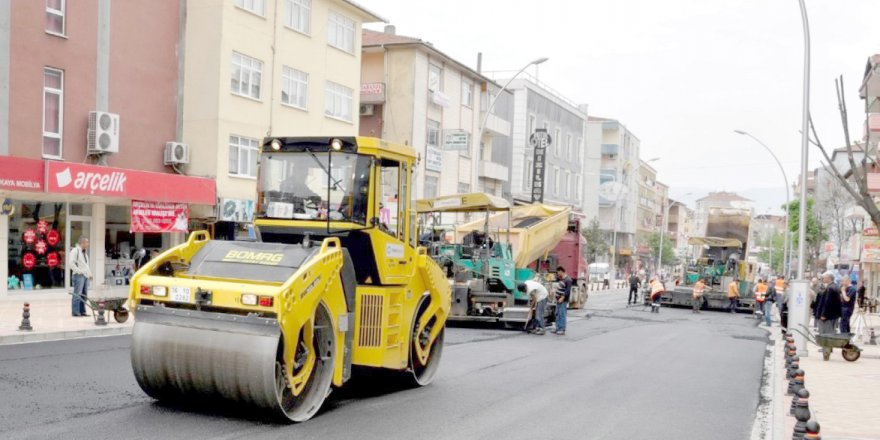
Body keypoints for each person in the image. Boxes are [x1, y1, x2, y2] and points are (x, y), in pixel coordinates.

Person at [68, 236, 92, 317]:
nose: (88, 244)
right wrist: (79, 272)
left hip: (85, 276)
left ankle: (82, 311)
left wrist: (90, 274)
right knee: (77, 294)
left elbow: (86, 266)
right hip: (78, 276)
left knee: (84, 295)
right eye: (87, 242)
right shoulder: (75, 251)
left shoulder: (84, 253)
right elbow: (71, 263)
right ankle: (75, 312)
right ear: (82, 243)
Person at [554, 266, 572, 336]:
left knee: (562, 314)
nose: (557, 273)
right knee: (557, 314)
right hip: (558, 299)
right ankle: (558, 328)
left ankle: (562, 329)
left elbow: (567, 291)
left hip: (563, 300)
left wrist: (562, 298)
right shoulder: (562, 279)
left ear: (561, 271)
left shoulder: (568, 280)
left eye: (558, 272)